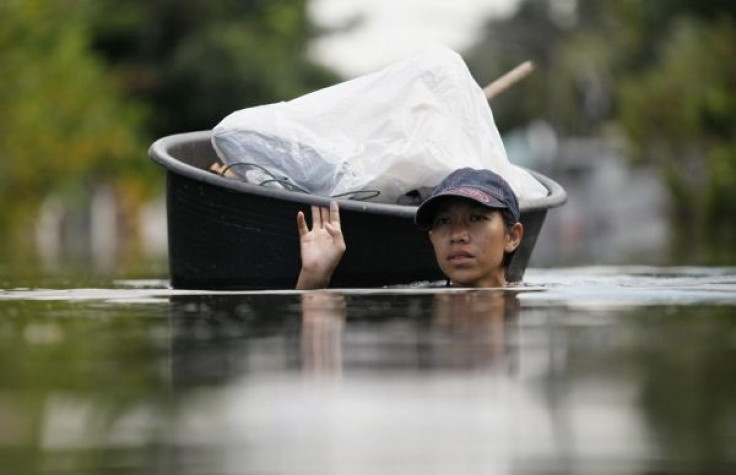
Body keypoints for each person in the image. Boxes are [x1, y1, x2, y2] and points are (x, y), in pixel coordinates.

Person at [295, 168, 524, 290]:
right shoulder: (416, 302)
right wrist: (314, 276)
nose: (457, 235)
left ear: (512, 237)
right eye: (444, 221)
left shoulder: (524, 308)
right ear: (431, 237)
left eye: (476, 218)